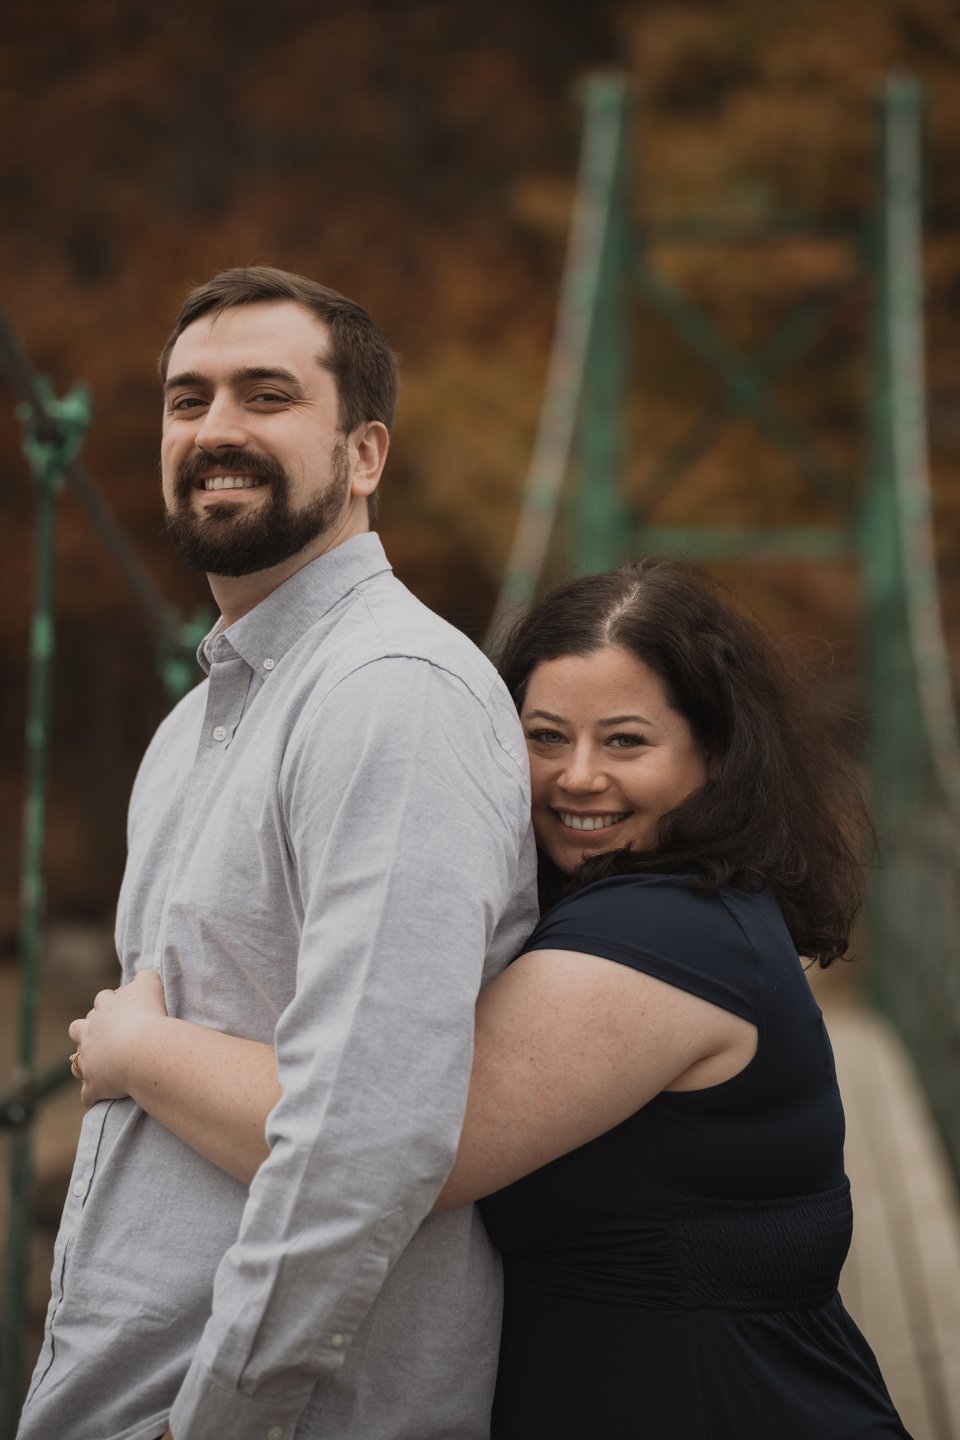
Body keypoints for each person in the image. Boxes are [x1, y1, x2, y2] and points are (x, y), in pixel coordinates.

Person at [70, 559, 911, 1438]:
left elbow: (387, 1152)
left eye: (625, 742)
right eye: (545, 737)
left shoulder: (669, 934)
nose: (577, 776)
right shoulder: (651, 913)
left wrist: (138, 1049)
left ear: (716, 758)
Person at [18, 266, 538, 1440]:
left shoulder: (393, 697)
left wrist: (218, 1421)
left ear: (365, 455)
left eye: (267, 395)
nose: (216, 430)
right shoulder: (191, 728)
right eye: (187, 400)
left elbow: (367, 1141)